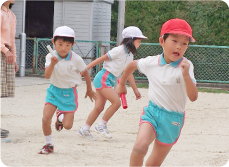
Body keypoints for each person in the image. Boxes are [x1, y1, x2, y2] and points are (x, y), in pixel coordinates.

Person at [116, 18, 198, 167]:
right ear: (162, 41)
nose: (179, 47)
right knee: (139, 148)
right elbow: (131, 65)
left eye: (184, 43)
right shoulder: (151, 62)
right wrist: (121, 84)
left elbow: (193, 97)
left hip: (173, 118)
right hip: (152, 112)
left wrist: (186, 76)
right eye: (174, 41)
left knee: (152, 165)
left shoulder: (187, 66)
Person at [78, 26, 147, 140]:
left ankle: (84, 129)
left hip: (109, 79)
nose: (140, 43)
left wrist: (135, 89)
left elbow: (129, 73)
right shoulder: (119, 50)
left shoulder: (130, 55)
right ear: (131, 40)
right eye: (138, 41)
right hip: (103, 77)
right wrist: (86, 68)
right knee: (116, 102)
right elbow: (102, 58)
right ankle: (101, 125)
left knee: (99, 107)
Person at [39, 26, 96, 154]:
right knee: (45, 119)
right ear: (53, 42)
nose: (63, 48)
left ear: (73, 44)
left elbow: (86, 73)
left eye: (67, 45)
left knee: (68, 126)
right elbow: (47, 76)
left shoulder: (76, 59)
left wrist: (89, 89)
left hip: (69, 93)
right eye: (59, 44)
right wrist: (53, 63)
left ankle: (60, 116)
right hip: (54, 91)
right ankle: (49, 144)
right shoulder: (50, 57)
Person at [0, 0, 18, 138]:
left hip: (7, 54)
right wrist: (5, 50)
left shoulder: (11, 14)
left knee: (1, 92)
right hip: (2, 52)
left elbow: (12, 40)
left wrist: (15, 59)